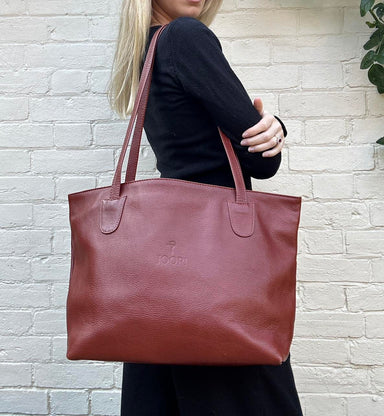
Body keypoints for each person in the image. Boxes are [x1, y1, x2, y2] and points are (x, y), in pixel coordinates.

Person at [107, 1, 303, 415]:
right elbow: (262, 161)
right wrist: (275, 128)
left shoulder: (150, 47)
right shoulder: (185, 37)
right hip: (218, 274)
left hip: (163, 287)